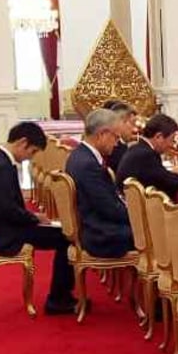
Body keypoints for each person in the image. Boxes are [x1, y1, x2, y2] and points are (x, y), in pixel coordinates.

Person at [0, 121, 75, 315]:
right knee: (65, 237)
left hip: (1, 225)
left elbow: (8, 208)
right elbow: (8, 210)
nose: (32, 157)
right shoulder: (1, 167)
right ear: (22, 143)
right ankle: (58, 300)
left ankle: (62, 296)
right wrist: (35, 219)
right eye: (33, 151)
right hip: (2, 231)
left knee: (60, 233)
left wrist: (33, 217)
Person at [65, 108, 134, 257]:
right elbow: (109, 208)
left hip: (96, 226)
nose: (116, 144)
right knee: (158, 234)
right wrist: (140, 216)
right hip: (101, 235)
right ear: (102, 134)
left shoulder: (79, 155)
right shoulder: (87, 165)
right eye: (116, 137)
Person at [116, 113, 178, 199]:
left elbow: (160, 175)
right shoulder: (146, 155)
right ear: (159, 137)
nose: (172, 145)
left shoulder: (139, 148)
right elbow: (166, 182)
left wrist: (173, 173)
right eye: (171, 140)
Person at [102, 100, 138, 173]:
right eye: (132, 123)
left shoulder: (122, 145)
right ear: (120, 122)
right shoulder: (112, 148)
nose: (135, 129)